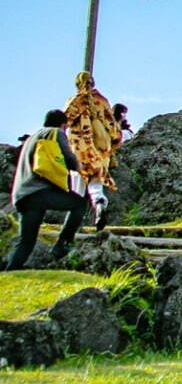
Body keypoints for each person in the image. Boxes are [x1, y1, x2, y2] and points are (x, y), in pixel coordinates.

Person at [5, 110, 89, 270]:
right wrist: (81, 168)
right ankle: (62, 244)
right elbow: (67, 156)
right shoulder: (55, 132)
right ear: (63, 124)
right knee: (79, 204)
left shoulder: (33, 137)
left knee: (26, 242)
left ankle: (10, 271)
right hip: (39, 192)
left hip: (22, 196)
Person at [64, 71, 120, 231]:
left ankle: (73, 226)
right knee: (96, 185)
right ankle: (100, 204)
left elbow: (65, 120)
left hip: (80, 149)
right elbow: (113, 127)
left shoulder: (75, 101)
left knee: (77, 189)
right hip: (100, 150)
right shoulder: (102, 101)